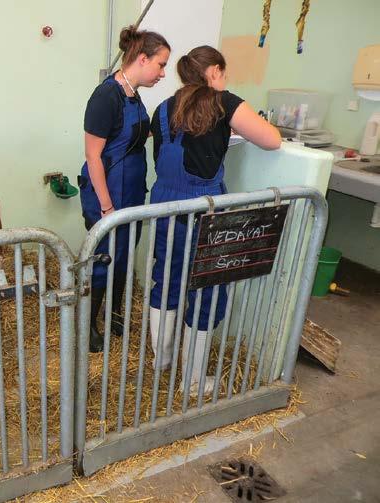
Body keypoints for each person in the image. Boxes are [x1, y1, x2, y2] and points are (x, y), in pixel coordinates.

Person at [148, 46, 281, 392]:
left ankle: (161, 362)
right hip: (204, 206)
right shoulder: (224, 103)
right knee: (209, 286)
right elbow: (272, 139)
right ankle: (192, 380)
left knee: (167, 280)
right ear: (215, 72)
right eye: (224, 73)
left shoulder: (163, 108)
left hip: (163, 204)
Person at [79, 26, 171, 353]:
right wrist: (105, 208)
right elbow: (93, 156)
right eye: (160, 64)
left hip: (131, 193)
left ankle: (113, 312)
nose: (163, 73)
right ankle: (87, 323)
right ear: (142, 58)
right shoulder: (106, 96)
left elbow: (128, 138)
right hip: (107, 197)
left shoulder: (133, 93)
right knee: (102, 259)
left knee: (124, 255)